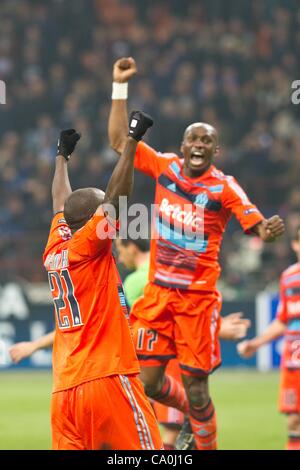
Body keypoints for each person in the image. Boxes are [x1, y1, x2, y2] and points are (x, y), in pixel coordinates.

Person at [108, 57, 285, 450]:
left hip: (196, 302)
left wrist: (267, 232)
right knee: (148, 382)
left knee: (198, 389)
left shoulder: (225, 187)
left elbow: (255, 225)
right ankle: (193, 415)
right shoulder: (166, 168)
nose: (200, 146)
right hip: (158, 295)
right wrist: (119, 86)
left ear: (215, 150)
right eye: (194, 139)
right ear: (183, 146)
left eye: (207, 141)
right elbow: (120, 142)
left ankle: (204, 441)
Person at [42, 111, 164, 450]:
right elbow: (117, 200)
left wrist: (61, 157)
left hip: (64, 393)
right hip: (107, 377)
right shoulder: (87, 247)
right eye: (100, 214)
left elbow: (59, 204)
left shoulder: (56, 247)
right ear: (90, 222)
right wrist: (132, 142)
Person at [238, 226, 300, 451]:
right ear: (295, 244)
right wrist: (256, 343)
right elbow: (282, 320)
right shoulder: (289, 277)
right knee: (293, 421)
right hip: (293, 363)